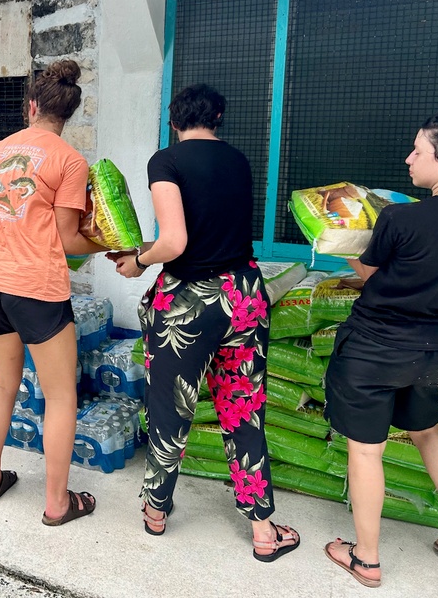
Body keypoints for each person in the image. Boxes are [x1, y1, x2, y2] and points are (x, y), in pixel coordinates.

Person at [111, 84, 299, 560]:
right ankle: (263, 531)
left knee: (170, 408)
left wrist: (138, 260)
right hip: (244, 294)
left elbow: (173, 241)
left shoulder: (166, 161)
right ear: (218, 117)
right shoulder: (238, 161)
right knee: (243, 408)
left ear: (174, 121)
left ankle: (156, 512)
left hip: (188, 303)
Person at [0, 59, 105, 525]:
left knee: (3, 381)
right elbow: (68, 240)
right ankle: (57, 504)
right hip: (36, 289)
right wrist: (106, 242)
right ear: (67, 115)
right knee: (61, 395)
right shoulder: (69, 160)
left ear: (32, 107)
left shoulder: (1, 148)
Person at [323, 109, 438, 588]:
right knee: (427, 430)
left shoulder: (401, 218)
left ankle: (366, 558)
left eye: (418, 151)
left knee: (366, 450)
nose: (408, 159)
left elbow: (371, 275)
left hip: (376, 349)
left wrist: (337, 241)